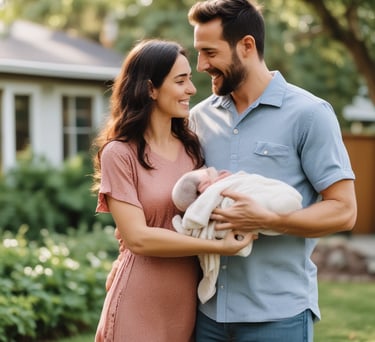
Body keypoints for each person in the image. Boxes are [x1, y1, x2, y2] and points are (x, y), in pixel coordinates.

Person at [187, 0, 357, 341]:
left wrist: (270, 221)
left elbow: (344, 210)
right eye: (198, 53)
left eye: (209, 52)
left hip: (278, 317)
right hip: (207, 313)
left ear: (246, 46)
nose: (200, 65)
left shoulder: (310, 114)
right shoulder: (199, 118)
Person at [91, 39, 254, 342]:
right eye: (181, 81)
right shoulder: (120, 153)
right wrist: (220, 248)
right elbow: (138, 238)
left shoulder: (193, 149)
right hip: (138, 300)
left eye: (190, 79)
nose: (192, 89)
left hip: (185, 305)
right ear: (150, 89)